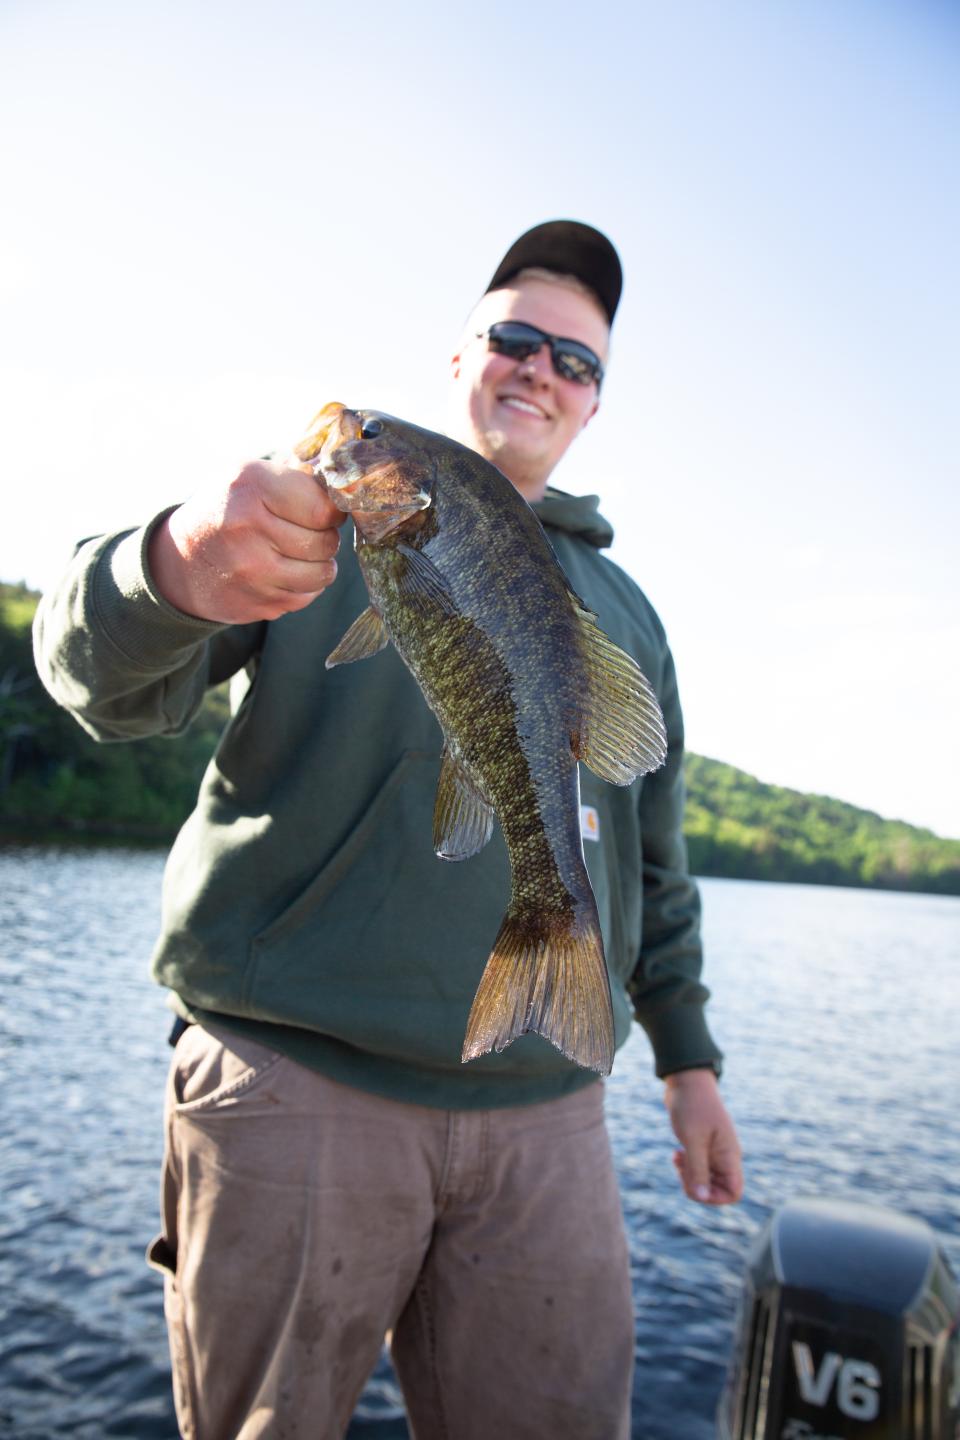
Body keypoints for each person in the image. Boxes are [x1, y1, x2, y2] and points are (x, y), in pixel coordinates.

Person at [34, 220, 743, 1440]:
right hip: (294, 1085)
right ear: (461, 354)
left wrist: (688, 1062)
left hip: (550, 1110)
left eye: (576, 362)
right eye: (515, 338)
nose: (540, 370)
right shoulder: (300, 523)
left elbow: (653, 865)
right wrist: (177, 562)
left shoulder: (629, 613)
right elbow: (93, 680)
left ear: (594, 407)